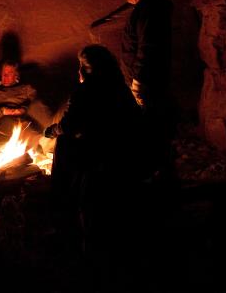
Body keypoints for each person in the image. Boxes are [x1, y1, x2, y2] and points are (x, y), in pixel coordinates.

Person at [43, 45, 154, 288]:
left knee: (64, 144)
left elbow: (70, 125)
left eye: (82, 67)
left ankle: (63, 213)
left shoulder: (86, 91)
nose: (79, 71)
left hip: (102, 158)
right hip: (127, 156)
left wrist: (52, 130)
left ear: (87, 69)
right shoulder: (121, 89)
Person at [119, 0, 176, 180]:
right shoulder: (146, 8)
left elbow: (148, 48)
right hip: (146, 80)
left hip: (148, 83)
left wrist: (138, 82)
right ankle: (157, 169)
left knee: (151, 125)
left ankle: (157, 172)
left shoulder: (148, 12)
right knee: (152, 124)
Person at [0, 60, 41, 143]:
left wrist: (24, 109)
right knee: (16, 125)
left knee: (37, 115)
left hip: (25, 118)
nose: (5, 76)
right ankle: (38, 139)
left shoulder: (26, 89)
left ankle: (42, 139)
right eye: (3, 73)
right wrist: (4, 111)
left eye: (10, 73)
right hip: (4, 120)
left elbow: (37, 102)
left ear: (16, 75)